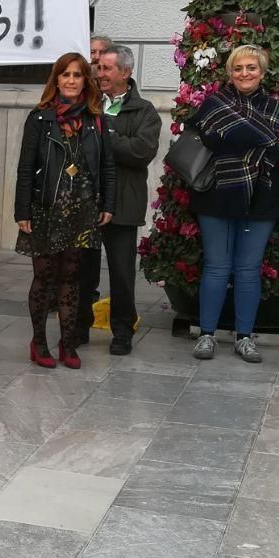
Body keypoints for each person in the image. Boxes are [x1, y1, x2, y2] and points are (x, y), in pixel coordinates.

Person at [188, 44, 279, 364]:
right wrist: (258, 137)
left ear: (262, 73)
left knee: (249, 269)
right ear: (230, 73)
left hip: (261, 196)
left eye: (251, 68)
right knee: (217, 266)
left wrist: (238, 132)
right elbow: (209, 138)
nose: (244, 73)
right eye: (238, 68)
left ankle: (245, 337)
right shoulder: (213, 105)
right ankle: (207, 335)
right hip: (216, 194)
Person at [14, 53, 115, 370]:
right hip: (46, 207)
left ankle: (68, 344)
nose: (71, 80)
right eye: (65, 75)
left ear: (86, 80)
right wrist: (22, 210)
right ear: (55, 80)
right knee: (44, 277)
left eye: (77, 75)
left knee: (72, 278)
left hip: (82, 209)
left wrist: (107, 204)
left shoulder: (96, 119)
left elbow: (108, 167)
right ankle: (39, 342)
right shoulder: (40, 118)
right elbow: (26, 168)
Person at [77, 43, 160, 355]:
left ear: (126, 72)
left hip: (124, 201)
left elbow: (141, 152)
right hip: (86, 200)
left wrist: (106, 132)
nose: (100, 74)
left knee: (122, 271)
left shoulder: (145, 111)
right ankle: (78, 326)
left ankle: (122, 331)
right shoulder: (88, 104)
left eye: (107, 69)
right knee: (83, 268)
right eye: (98, 68)